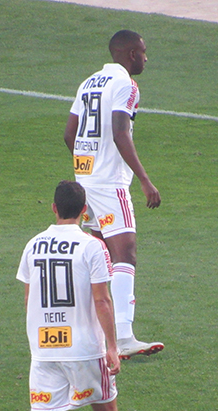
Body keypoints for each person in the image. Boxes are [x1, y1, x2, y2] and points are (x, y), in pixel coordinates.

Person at [17, 180, 121, 411]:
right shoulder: (92, 246)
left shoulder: (33, 245)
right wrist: (113, 346)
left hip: (44, 348)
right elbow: (102, 300)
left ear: (53, 208)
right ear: (84, 211)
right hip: (83, 348)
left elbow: (29, 298)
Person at [64, 29, 164, 360]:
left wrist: (87, 168)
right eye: (143, 52)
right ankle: (123, 336)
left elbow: (69, 134)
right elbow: (121, 131)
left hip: (85, 179)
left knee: (100, 255)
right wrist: (145, 180)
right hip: (109, 183)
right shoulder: (126, 85)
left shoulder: (88, 83)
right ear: (131, 54)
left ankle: (92, 335)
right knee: (125, 254)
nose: (146, 58)